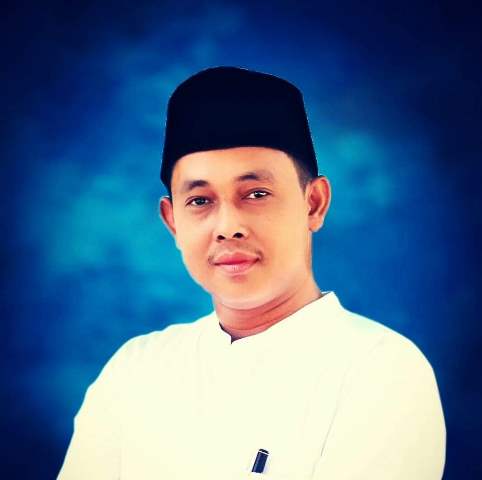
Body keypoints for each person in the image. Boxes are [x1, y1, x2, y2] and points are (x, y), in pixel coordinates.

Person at [57, 66, 446, 479]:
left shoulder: (381, 371)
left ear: (313, 203)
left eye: (256, 193)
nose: (228, 227)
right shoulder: (135, 371)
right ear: (173, 222)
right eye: (200, 201)